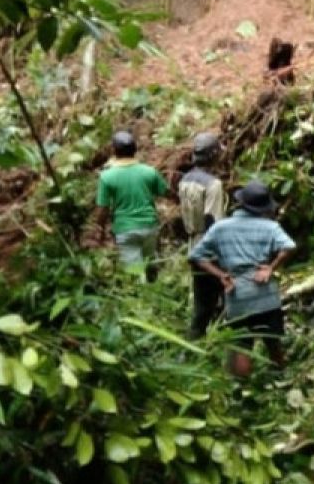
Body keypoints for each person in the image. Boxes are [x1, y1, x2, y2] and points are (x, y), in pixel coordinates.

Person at [189, 181, 296, 378]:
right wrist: (270, 268)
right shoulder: (271, 227)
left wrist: (221, 275)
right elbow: (289, 246)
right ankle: (280, 382)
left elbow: (197, 256)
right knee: (273, 342)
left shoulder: (220, 228)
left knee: (241, 344)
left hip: (237, 292)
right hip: (265, 293)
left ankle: (240, 390)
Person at [95, 130, 168, 281]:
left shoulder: (107, 177)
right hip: (149, 226)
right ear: (135, 150)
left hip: (125, 229)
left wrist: (99, 228)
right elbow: (165, 192)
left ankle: (142, 301)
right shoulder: (149, 172)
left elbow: (103, 208)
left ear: (114, 151)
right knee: (150, 264)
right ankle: (156, 292)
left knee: (135, 274)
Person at [180, 133, 227, 337]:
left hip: (193, 243)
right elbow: (212, 221)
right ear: (214, 155)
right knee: (223, 300)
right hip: (210, 250)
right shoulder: (213, 185)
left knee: (202, 303)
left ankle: (194, 345)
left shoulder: (185, 180)